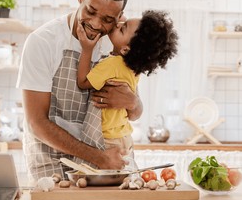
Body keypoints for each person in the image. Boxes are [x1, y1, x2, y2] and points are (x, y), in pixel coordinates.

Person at [17, 0, 143, 183]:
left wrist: (133, 102)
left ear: (119, 17)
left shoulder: (116, 43)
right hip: (54, 163)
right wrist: (98, 157)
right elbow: (36, 123)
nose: (95, 24)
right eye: (91, 11)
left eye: (107, 19)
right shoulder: (43, 41)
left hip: (108, 163)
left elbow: (135, 112)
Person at [76, 10, 178, 161]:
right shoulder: (132, 69)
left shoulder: (113, 64)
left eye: (123, 28)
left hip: (107, 139)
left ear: (125, 49)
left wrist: (87, 49)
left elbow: (83, 82)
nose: (119, 24)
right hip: (123, 137)